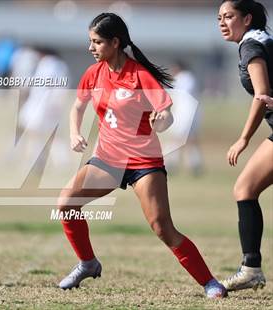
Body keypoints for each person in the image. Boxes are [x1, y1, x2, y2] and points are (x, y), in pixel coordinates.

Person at [57, 13, 227, 298]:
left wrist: (159, 122)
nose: (91, 48)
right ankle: (88, 263)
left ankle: (210, 282)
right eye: (90, 41)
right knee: (66, 204)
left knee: (162, 227)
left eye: (97, 42)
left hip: (143, 162)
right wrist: (75, 134)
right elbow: (77, 106)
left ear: (115, 42)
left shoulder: (140, 75)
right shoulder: (93, 73)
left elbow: (167, 115)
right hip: (107, 160)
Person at [217, 0, 272, 292]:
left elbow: (262, 96)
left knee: (244, 189)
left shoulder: (251, 46)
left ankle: (251, 269)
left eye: (229, 16)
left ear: (247, 18)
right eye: (219, 18)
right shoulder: (264, 40)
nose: (223, 22)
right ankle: (250, 268)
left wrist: (243, 139)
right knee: (245, 189)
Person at [167, 60, 203, 176]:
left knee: (180, 138)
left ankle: (173, 163)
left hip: (186, 113)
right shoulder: (186, 78)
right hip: (187, 112)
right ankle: (194, 164)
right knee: (189, 139)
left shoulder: (184, 78)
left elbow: (179, 94)